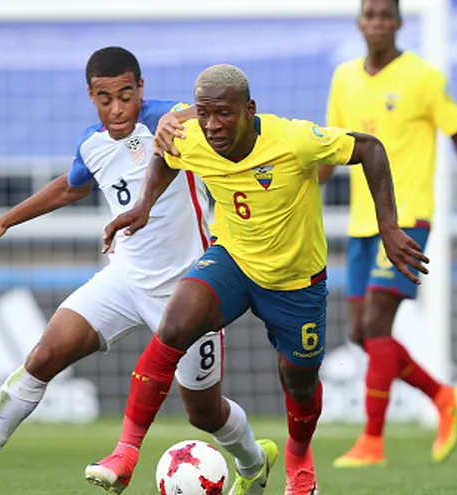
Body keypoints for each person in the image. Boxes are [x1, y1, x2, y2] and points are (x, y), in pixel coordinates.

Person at [0, 47, 275, 495]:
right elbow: (71, 187)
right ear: (91, 96)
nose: (117, 108)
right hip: (124, 279)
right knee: (43, 356)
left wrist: (182, 115)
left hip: (192, 289)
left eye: (126, 96)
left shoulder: (169, 121)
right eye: (105, 98)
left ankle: (255, 460)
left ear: (141, 89)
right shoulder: (92, 143)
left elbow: (210, 114)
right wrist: (3, 222)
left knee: (203, 413)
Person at [91, 63, 427, 495]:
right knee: (174, 326)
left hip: (296, 282)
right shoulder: (192, 137)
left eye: (224, 115)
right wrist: (144, 204)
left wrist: (390, 226)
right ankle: (126, 452)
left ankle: (299, 459)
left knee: (299, 382)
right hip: (232, 263)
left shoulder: (294, 140)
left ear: (250, 110)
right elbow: (168, 157)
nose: (213, 126)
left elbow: (371, 148)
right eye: (205, 114)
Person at [319, 0, 457, 468]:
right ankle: (443, 396)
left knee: (378, 324)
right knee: (361, 332)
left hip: (406, 219)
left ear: (399, 23)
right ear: (360, 22)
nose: (378, 22)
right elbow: (330, 151)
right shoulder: (344, 78)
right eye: (370, 14)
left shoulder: (423, 77)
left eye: (386, 14)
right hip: (362, 221)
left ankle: (372, 442)